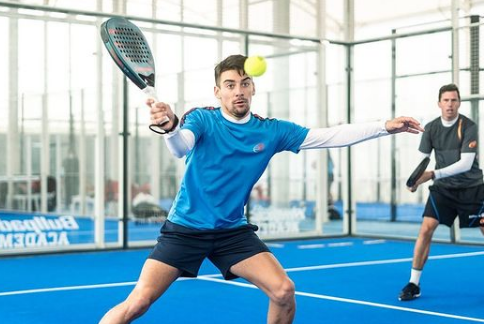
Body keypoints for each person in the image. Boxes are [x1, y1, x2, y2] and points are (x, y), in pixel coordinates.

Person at [99, 54, 424, 324]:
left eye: (244, 83)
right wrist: (169, 126)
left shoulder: (270, 131)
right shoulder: (202, 119)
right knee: (139, 302)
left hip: (231, 232)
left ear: (252, 87)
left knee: (283, 291)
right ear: (217, 91)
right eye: (230, 85)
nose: (238, 90)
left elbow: (327, 136)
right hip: (186, 229)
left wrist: (385, 127)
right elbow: (180, 147)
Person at [399, 83, 484, 301]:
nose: (450, 104)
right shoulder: (430, 128)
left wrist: (431, 175)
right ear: (439, 103)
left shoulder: (468, 126)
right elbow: (423, 161)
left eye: (454, 100)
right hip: (443, 191)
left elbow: (466, 164)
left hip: (471, 190)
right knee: (426, 230)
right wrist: (415, 180)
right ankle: (413, 283)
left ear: (459, 103)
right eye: (446, 100)